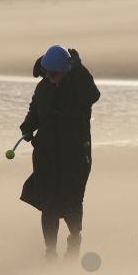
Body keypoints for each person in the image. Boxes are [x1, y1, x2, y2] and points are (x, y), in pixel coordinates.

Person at [19, 45, 101, 262]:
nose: (50, 77)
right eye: (47, 72)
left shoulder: (79, 87)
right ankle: (50, 252)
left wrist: (80, 68)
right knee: (48, 205)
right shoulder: (43, 88)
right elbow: (35, 112)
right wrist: (27, 127)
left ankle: (74, 239)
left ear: (66, 70)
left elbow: (94, 95)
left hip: (75, 157)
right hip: (47, 155)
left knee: (72, 202)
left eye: (54, 73)